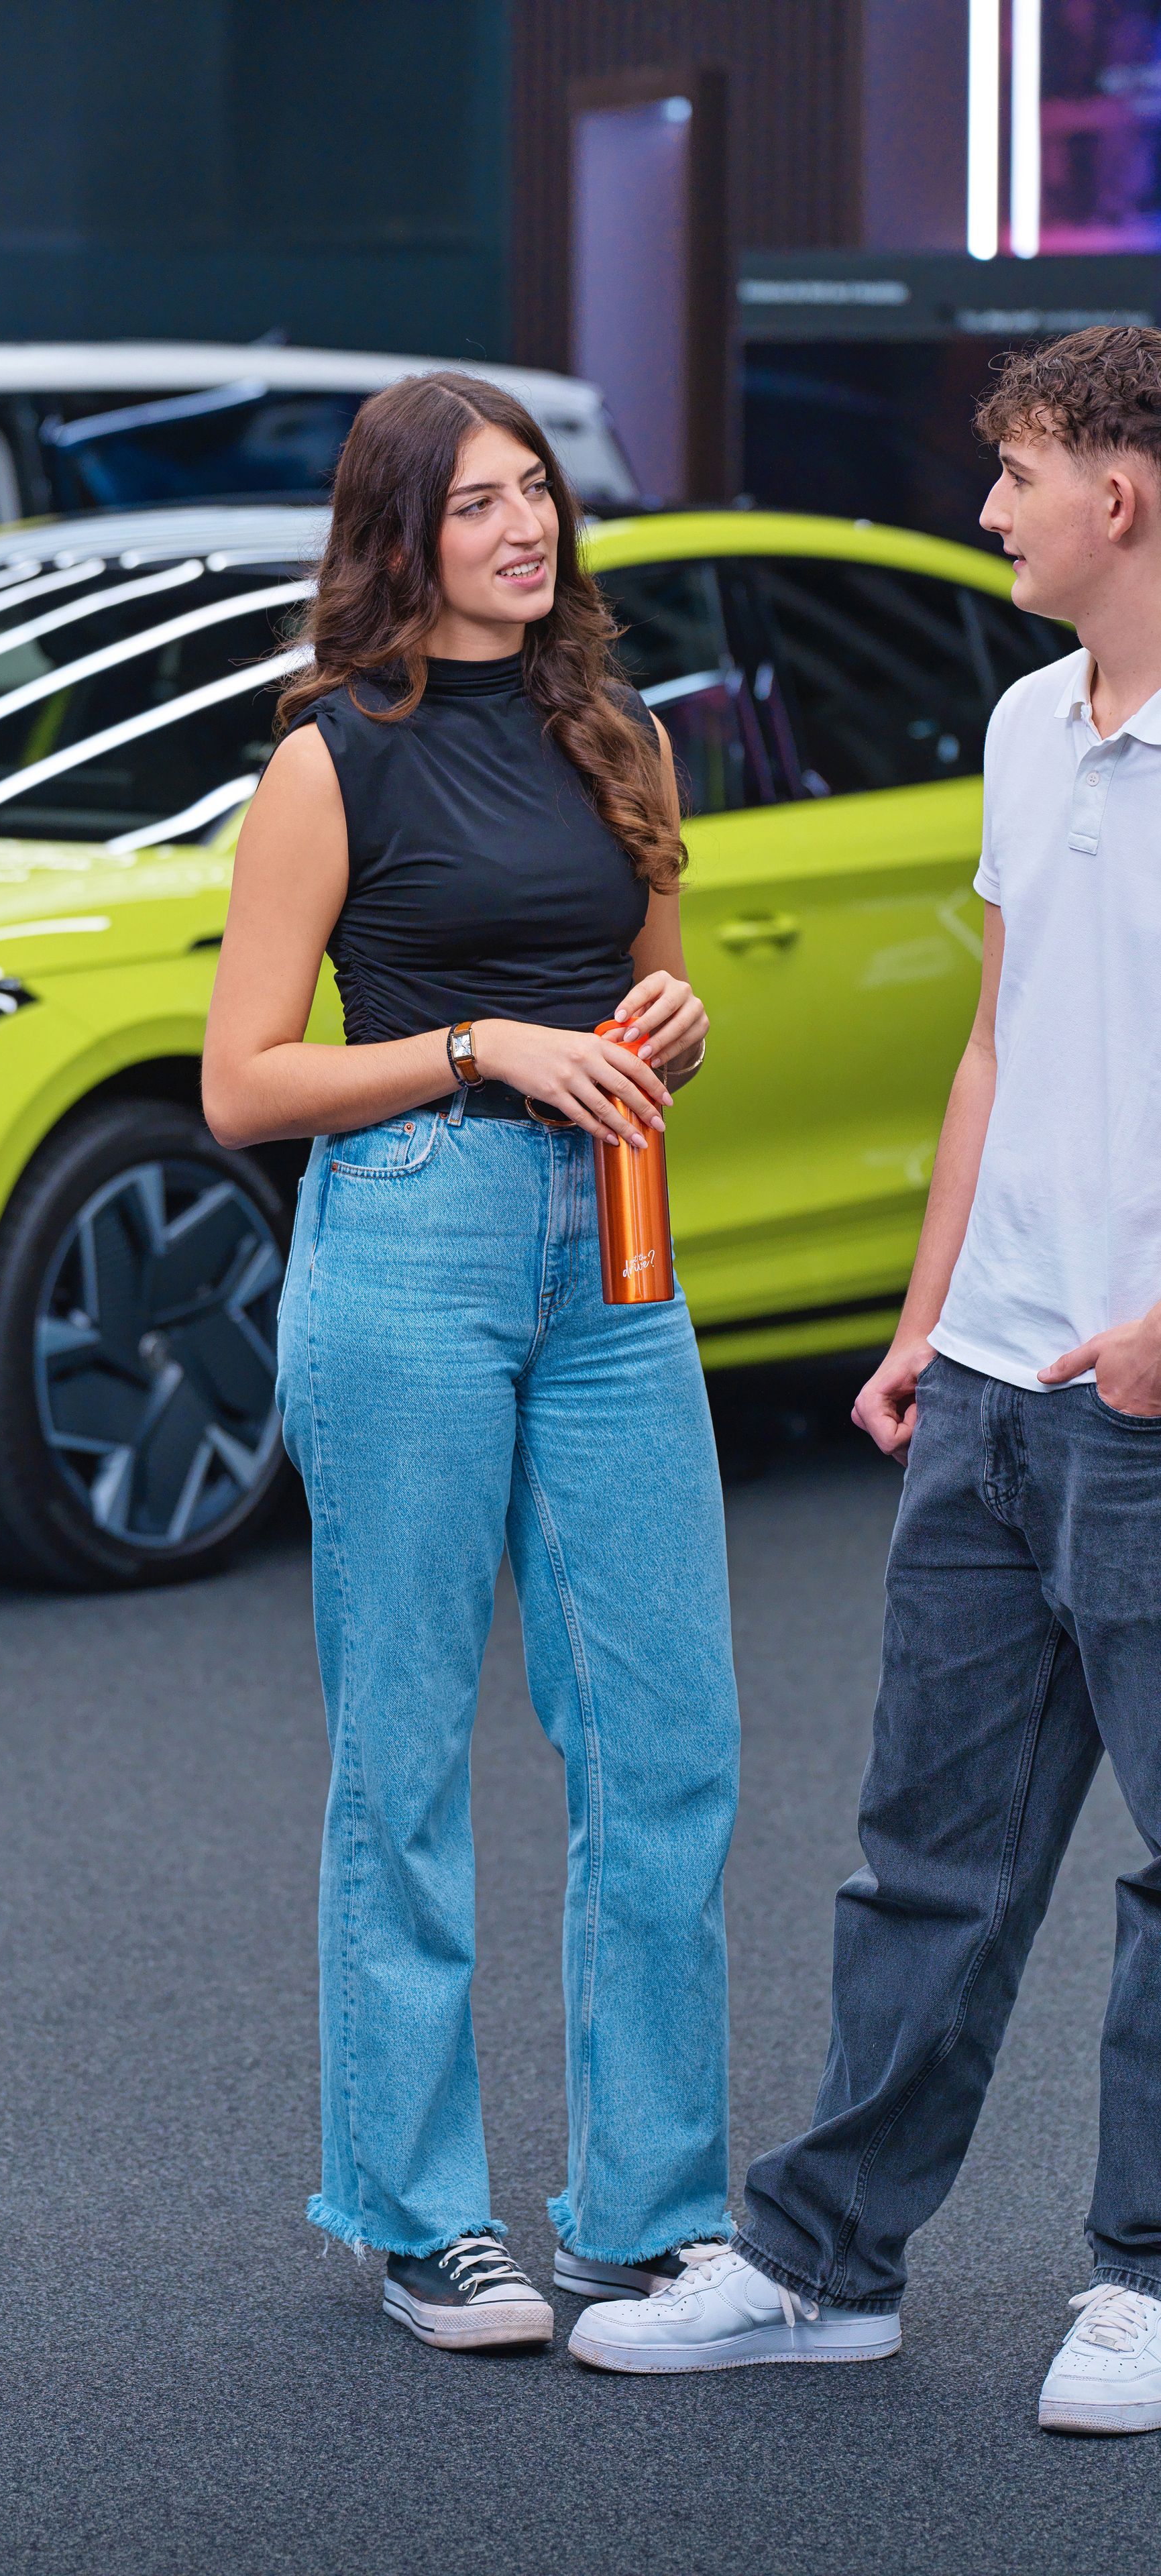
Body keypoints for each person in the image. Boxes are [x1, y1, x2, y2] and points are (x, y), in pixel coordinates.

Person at [569, 327, 1161, 2434]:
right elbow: (996, 1046)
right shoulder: (1021, 724)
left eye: (1014, 475)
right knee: (927, 1854)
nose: (986, 512)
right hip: (1001, 1383)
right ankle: (826, 2267)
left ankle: (1148, 2284)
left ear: (1127, 491)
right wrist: (930, 1317)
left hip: (1152, 1393)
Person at [203, 372, 740, 2353]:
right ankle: (425, 2213)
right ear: (402, 536)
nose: (529, 528)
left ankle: (655, 2211)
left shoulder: (629, 733)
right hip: (410, 1234)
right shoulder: (332, 757)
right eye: (483, 503)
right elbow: (245, 1081)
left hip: (613, 1253)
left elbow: (651, 992)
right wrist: (478, 1045)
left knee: (667, 1746)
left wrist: (656, 1026)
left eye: (540, 495)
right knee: (410, 1749)